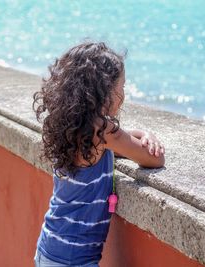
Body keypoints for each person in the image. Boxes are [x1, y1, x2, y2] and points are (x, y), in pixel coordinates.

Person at [31, 41, 165, 267]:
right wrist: (149, 137)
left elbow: (121, 143)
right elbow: (154, 159)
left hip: (50, 247)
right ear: (104, 92)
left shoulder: (72, 126)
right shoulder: (103, 131)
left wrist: (143, 133)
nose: (123, 94)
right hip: (72, 260)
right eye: (121, 87)